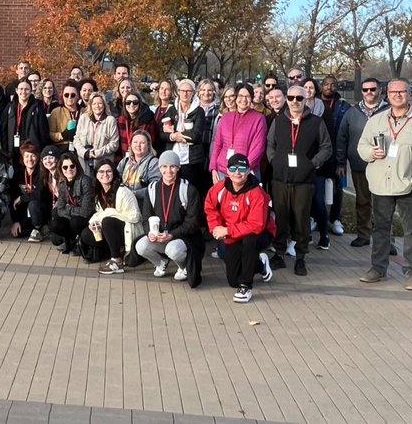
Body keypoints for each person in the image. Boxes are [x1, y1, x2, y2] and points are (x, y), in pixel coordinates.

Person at [356, 79, 412, 291]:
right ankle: (378, 268)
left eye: (402, 91)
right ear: (387, 94)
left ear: (409, 94)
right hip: (380, 185)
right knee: (381, 229)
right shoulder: (375, 121)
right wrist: (370, 153)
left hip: (410, 185)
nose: (397, 95)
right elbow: (362, 146)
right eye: (393, 91)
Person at [265, 85, 331, 276]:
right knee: (281, 217)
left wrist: (312, 163)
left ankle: (301, 257)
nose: (295, 101)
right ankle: (279, 253)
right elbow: (270, 144)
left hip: (304, 180)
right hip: (280, 178)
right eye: (292, 98)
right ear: (287, 99)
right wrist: (273, 161)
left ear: (305, 100)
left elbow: (326, 147)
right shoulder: (278, 121)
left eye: (299, 98)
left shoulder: (316, 122)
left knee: (301, 219)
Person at [205, 153, 275, 302]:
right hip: (233, 234)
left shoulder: (257, 193)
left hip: (261, 233)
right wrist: (216, 227)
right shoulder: (219, 188)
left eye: (242, 168)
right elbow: (210, 208)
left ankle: (246, 286)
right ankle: (260, 265)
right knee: (232, 280)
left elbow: (256, 225)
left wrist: (227, 230)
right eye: (233, 168)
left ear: (249, 171)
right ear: (227, 171)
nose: (237, 172)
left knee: (249, 241)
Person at [134, 151, 203, 285]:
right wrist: (150, 232)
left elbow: (193, 223)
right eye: (164, 167)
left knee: (172, 250)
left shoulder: (188, 190)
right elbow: (146, 217)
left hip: (183, 237)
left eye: (172, 166)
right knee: (141, 246)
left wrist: (172, 235)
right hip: (161, 235)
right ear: (159, 168)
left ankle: (183, 268)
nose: (168, 171)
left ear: (178, 168)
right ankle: (161, 262)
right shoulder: (152, 189)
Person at [336, 78, 389, 248]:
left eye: (372, 89)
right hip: (360, 165)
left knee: (384, 205)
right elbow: (342, 138)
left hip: (385, 166)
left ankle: (387, 240)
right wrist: (341, 162)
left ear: (379, 90)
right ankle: (363, 234)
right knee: (363, 202)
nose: (369, 93)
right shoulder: (352, 112)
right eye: (365, 90)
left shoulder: (389, 110)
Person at [84, 160, 145, 274]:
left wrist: (110, 212)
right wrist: (94, 221)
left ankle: (117, 261)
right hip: (113, 229)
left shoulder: (123, 191)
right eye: (101, 172)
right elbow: (100, 213)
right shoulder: (99, 192)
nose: (105, 175)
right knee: (87, 234)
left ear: (114, 173)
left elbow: (135, 217)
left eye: (108, 171)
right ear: (96, 175)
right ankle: (112, 252)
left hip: (129, 230)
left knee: (108, 221)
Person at [312, 75, 351, 247]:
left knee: (337, 188)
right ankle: (315, 218)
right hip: (317, 154)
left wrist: (340, 160)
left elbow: (344, 134)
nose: (329, 87)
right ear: (321, 86)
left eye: (333, 84)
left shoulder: (343, 106)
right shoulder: (313, 104)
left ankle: (335, 218)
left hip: (336, 153)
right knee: (317, 192)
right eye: (326, 84)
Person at [208, 84, 267, 185]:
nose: (243, 99)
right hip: (223, 170)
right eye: (240, 96)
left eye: (247, 96)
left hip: (246, 172)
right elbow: (217, 144)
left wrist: (241, 170)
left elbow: (258, 148)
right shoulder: (225, 118)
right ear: (236, 98)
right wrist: (213, 168)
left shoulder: (259, 118)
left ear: (252, 98)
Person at [160, 79, 207, 192]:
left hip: (191, 160)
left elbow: (196, 135)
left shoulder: (199, 111)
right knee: (173, 190)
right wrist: (172, 136)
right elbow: (162, 134)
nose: (185, 94)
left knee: (191, 191)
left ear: (193, 93)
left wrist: (176, 135)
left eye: (188, 91)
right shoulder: (172, 110)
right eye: (182, 90)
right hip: (173, 158)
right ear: (178, 92)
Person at [50, 151, 93, 254]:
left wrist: (68, 209)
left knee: (75, 222)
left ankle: (82, 242)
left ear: (77, 166)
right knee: (54, 220)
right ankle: (71, 240)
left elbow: (85, 211)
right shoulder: (62, 183)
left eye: (72, 166)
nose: (69, 169)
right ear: (61, 169)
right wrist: (70, 210)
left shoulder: (85, 181)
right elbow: (60, 209)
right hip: (73, 215)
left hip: (85, 218)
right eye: (65, 167)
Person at [11, 141, 51, 241]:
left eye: (33, 156)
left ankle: (38, 228)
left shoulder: (42, 172)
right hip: (25, 213)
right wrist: (15, 221)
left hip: (40, 210)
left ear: (37, 157)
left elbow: (39, 194)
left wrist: (22, 198)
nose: (30, 159)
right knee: (18, 233)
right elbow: (13, 198)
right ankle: (41, 230)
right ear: (22, 158)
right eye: (27, 156)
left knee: (33, 204)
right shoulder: (18, 173)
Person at [1, 79, 49, 158]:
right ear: (16, 90)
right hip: (13, 153)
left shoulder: (37, 107)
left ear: (31, 91)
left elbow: (43, 132)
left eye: (27, 89)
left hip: (32, 153)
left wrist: (41, 151)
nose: (24, 92)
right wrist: (5, 151)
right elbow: (4, 131)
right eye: (21, 89)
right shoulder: (9, 107)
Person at [75, 93, 119, 173]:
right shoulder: (83, 118)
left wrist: (97, 152)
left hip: (103, 162)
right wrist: (85, 153)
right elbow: (76, 139)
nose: (97, 106)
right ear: (90, 105)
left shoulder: (110, 120)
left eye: (100, 103)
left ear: (104, 105)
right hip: (84, 161)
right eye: (94, 104)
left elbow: (114, 144)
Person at [117, 129, 160, 205]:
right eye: (135, 142)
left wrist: (135, 193)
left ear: (148, 145)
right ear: (131, 144)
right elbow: (116, 179)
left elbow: (156, 187)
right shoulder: (125, 161)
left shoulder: (153, 163)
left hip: (143, 204)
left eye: (142, 143)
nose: (138, 145)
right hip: (124, 202)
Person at [115, 90, 153, 157]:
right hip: (125, 158)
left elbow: (153, 142)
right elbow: (118, 144)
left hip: (144, 158)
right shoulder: (121, 120)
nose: (131, 105)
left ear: (139, 104)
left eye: (135, 102)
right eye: (128, 102)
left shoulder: (147, 120)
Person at [48, 81, 81, 152]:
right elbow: (51, 134)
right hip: (62, 147)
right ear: (62, 96)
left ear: (78, 96)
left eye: (73, 95)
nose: (69, 97)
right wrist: (63, 135)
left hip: (81, 148)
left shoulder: (84, 112)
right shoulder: (56, 112)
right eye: (66, 95)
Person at [150, 80, 175, 154]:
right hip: (157, 147)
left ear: (171, 92)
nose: (163, 91)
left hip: (167, 148)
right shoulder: (158, 108)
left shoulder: (173, 109)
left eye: (167, 89)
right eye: (161, 88)